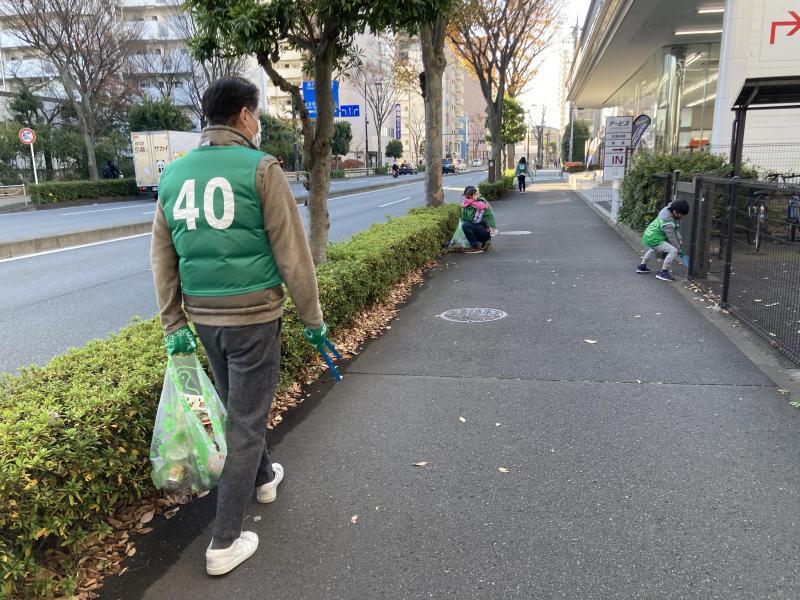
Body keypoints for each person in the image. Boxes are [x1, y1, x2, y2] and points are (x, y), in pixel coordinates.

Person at [150, 76, 327, 576]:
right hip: (254, 318)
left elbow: (162, 258)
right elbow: (294, 258)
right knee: (245, 422)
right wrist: (313, 321)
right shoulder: (262, 170)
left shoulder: (174, 175)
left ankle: (265, 477)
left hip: (203, 319)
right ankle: (224, 541)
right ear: (246, 116)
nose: (259, 124)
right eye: (258, 114)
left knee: (239, 408)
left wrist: (172, 322)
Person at [637, 199, 690, 281]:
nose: (681, 216)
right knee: (673, 250)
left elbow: (675, 228)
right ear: (675, 211)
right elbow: (672, 238)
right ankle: (663, 272)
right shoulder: (667, 222)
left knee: (653, 248)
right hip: (654, 238)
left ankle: (642, 267)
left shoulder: (667, 210)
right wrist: (679, 250)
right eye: (681, 214)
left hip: (649, 235)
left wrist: (679, 238)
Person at [460, 185, 497, 254]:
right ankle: (482, 243)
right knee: (466, 224)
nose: (465, 198)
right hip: (483, 229)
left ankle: (476, 247)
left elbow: (476, 220)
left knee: (465, 225)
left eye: (466, 196)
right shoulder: (475, 201)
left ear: (471, 195)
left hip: (485, 231)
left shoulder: (480, 202)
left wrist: (466, 219)